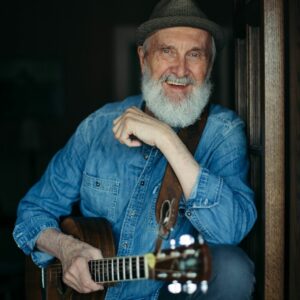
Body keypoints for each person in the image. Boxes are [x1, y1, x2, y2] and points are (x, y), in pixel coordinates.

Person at [13, 0, 257, 299]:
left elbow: (230, 232)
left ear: (209, 66)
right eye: (167, 51)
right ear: (143, 58)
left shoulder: (224, 132)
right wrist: (67, 248)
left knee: (232, 267)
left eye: (195, 54)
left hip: (171, 286)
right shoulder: (97, 127)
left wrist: (167, 138)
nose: (180, 69)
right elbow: (32, 213)